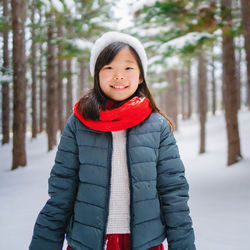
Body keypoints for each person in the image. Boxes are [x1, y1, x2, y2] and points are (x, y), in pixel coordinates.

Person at [29, 31, 196, 250]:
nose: (119, 76)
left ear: (141, 76)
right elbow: (61, 193)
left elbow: (173, 194)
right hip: (87, 243)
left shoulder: (157, 126)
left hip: (145, 243)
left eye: (128, 68)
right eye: (109, 68)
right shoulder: (79, 124)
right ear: (97, 74)